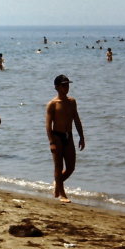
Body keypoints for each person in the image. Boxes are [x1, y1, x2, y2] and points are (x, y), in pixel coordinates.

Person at [45, 75, 85, 203]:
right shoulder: (52, 104)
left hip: (69, 136)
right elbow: (48, 125)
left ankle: (57, 183)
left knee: (71, 167)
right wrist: (51, 142)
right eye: (64, 85)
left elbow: (77, 120)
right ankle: (62, 194)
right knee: (58, 166)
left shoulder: (72, 102)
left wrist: (82, 137)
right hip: (57, 136)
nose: (66, 87)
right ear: (56, 87)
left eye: (68, 85)